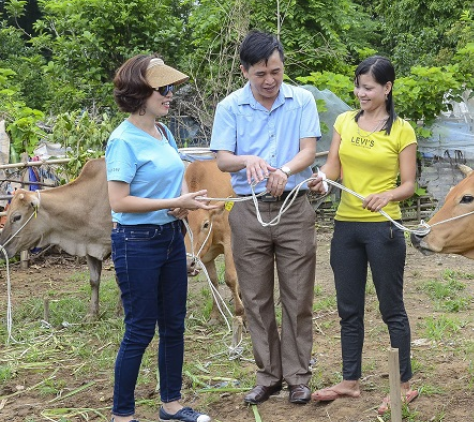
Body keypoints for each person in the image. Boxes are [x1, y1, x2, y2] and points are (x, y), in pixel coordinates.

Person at [210, 30, 320, 405]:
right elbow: (223, 159)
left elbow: (308, 151)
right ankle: (268, 374)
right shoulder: (230, 108)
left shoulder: (302, 100)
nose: (270, 80)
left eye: (276, 71)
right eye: (261, 74)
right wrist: (248, 160)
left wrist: (285, 169)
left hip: (294, 206)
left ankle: (298, 376)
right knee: (255, 298)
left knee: (298, 296)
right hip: (247, 210)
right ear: (244, 72)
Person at [106, 54, 216, 422]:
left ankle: (171, 404)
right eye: (163, 89)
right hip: (136, 243)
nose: (171, 96)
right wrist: (174, 201)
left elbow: (178, 178)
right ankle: (122, 415)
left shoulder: (164, 132)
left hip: (170, 237)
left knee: (174, 324)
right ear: (140, 93)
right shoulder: (123, 141)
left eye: (171, 88)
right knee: (139, 329)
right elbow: (119, 201)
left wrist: (184, 204)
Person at [308, 55, 419, 415]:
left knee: (392, 309)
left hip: (383, 229)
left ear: (387, 88)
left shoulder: (402, 130)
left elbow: (409, 185)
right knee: (348, 309)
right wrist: (323, 181)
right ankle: (350, 381)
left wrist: (387, 195)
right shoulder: (344, 121)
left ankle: (403, 385)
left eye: (368, 87)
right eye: (358, 86)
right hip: (346, 227)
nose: (360, 93)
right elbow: (333, 165)